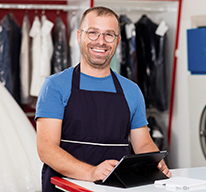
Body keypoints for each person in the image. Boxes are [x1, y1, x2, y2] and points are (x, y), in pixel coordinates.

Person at [36, 6, 171, 191]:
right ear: (79, 36)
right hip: (66, 188)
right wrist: (91, 172)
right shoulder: (55, 86)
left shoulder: (131, 90)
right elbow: (47, 149)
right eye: (93, 33)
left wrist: (154, 161)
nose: (101, 41)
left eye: (109, 35)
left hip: (116, 187)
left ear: (118, 41)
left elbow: (143, 143)